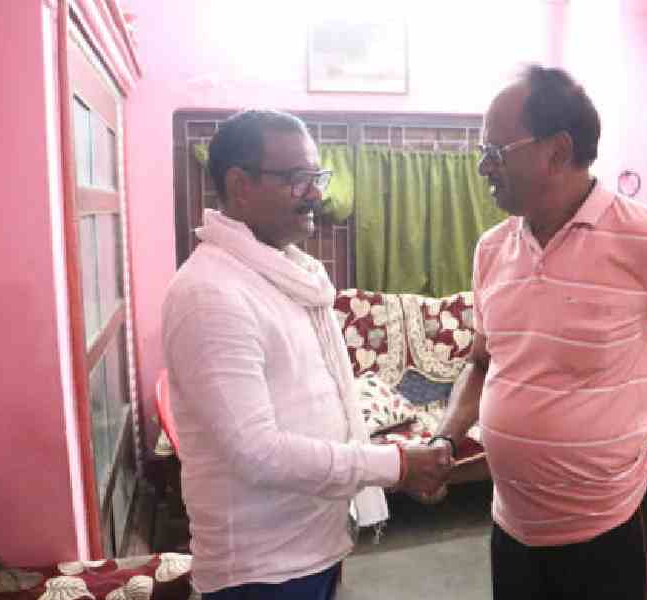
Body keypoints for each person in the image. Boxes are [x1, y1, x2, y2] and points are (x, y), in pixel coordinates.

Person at [434, 66, 647, 599]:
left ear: (556, 151)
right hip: (510, 526)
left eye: (495, 152)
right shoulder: (492, 249)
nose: (482, 168)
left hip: (602, 532)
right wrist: (446, 437)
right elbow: (480, 361)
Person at [162, 110, 452, 600]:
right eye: (298, 179)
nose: (316, 193)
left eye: (317, 176)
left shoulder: (290, 274)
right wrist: (397, 465)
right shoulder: (210, 294)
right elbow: (257, 452)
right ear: (240, 185)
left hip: (315, 544)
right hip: (261, 569)